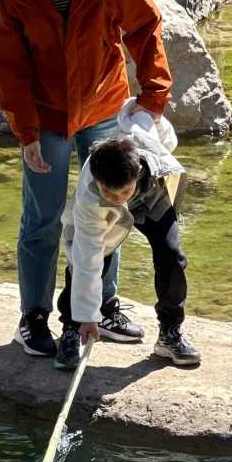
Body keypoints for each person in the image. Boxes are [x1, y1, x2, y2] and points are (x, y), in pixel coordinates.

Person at [0, 0, 174, 359]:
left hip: (106, 107)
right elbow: (7, 67)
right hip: (46, 117)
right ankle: (33, 318)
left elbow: (145, 27)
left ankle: (103, 307)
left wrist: (153, 98)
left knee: (110, 209)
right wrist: (26, 132)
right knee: (43, 218)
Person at [56, 110, 201, 371]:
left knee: (172, 256)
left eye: (123, 191)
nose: (117, 197)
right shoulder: (92, 199)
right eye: (108, 191)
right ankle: (71, 329)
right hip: (105, 216)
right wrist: (87, 317)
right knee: (84, 258)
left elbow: (161, 128)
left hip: (152, 197)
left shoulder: (149, 150)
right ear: (98, 182)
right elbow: (87, 257)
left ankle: (170, 334)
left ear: (139, 170)